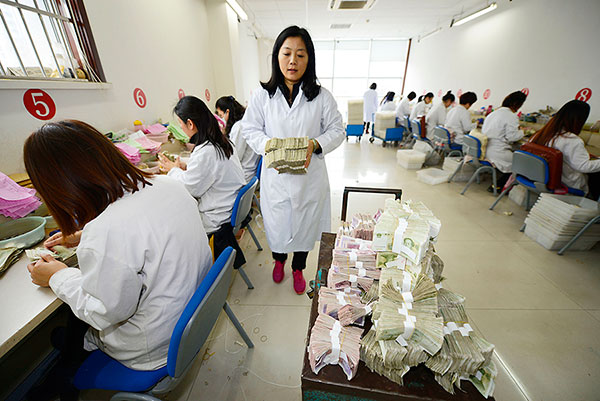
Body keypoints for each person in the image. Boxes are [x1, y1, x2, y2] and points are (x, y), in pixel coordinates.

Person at [23, 120, 212, 401]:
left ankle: (63, 381)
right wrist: (85, 235)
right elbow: (143, 228)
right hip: (187, 320)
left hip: (152, 348)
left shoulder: (107, 231)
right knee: (75, 325)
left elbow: (105, 312)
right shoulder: (167, 185)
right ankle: (74, 348)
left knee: (77, 321)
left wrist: (55, 275)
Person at [241, 25, 344, 294]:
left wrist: (316, 143)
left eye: (300, 55)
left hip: (309, 179)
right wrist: (269, 145)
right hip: (276, 178)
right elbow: (249, 129)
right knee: (277, 226)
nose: (293, 61)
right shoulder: (263, 96)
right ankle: (279, 261)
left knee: (305, 227)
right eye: (287, 53)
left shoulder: (321, 96)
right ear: (277, 56)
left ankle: (298, 268)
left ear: (308, 60)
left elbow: (337, 129)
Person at [158, 96, 246, 268]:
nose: (181, 128)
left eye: (181, 124)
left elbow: (190, 189)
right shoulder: (220, 141)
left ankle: (193, 270)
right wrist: (185, 166)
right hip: (229, 206)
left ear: (190, 124)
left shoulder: (206, 151)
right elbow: (209, 169)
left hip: (217, 218)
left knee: (173, 227)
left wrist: (172, 170)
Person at [530, 99, 600, 198]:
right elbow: (584, 166)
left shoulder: (542, 134)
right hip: (565, 185)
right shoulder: (572, 140)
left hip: (542, 180)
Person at [482, 91, 528, 192]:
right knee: (522, 164)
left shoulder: (493, 114)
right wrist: (523, 131)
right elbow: (512, 137)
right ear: (517, 104)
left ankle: (498, 184)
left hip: (487, 150)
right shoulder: (511, 116)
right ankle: (499, 186)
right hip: (498, 153)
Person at [216, 95, 260, 183]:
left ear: (227, 112)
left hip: (244, 174)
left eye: (221, 115)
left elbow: (235, 156)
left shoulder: (239, 127)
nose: (222, 119)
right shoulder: (243, 122)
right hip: (249, 171)